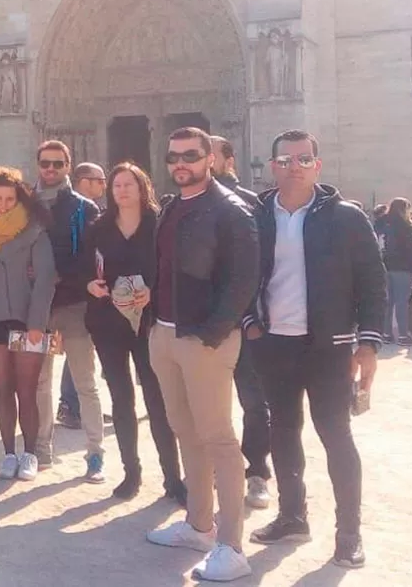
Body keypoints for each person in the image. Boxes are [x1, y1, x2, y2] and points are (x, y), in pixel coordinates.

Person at [243, 129, 384, 570]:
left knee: (335, 436)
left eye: (303, 159)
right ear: (272, 166)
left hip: (329, 346)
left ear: (317, 166)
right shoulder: (257, 214)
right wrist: (249, 322)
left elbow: (372, 281)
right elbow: (242, 272)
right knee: (282, 432)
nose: (294, 167)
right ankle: (292, 516)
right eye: (285, 160)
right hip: (274, 344)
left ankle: (349, 534)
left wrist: (369, 343)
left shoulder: (345, 216)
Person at [145, 127, 260, 583]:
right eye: (173, 156)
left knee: (218, 439)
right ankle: (199, 525)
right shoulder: (171, 209)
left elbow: (243, 280)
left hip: (204, 340)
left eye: (190, 156)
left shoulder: (232, 210)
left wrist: (213, 333)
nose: (180, 164)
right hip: (166, 335)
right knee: (185, 432)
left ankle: (232, 546)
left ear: (210, 157)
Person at [82, 164, 184, 503]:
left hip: (149, 320)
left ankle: (173, 478)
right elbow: (82, 266)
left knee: (158, 399)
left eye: (129, 184)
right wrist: (90, 285)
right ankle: (131, 473)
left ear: (142, 188)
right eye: (116, 185)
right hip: (108, 321)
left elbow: (173, 266)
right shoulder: (99, 227)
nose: (122, 190)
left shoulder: (160, 224)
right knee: (121, 400)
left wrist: (153, 291)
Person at [0, 168, 56, 481]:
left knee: (27, 390)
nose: (3, 204)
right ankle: (8, 455)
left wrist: (37, 323)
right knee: (4, 388)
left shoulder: (34, 230)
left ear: (20, 200)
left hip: (26, 318)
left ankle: (30, 453)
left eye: (10, 199)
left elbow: (45, 280)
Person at [32, 140, 106, 481]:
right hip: (35, 308)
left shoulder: (84, 207)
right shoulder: (24, 203)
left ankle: (95, 454)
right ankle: (40, 450)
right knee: (39, 382)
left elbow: (92, 258)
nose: (50, 169)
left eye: (57, 164)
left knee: (85, 382)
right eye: (45, 163)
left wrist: (58, 276)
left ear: (67, 166)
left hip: (74, 305)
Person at [208, 135, 273, 511]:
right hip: (205, 322)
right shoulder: (184, 206)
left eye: (208, 154)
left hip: (244, 322)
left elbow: (265, 267)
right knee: (210, 405)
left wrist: (255, 317)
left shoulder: (252, 203)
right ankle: (217, 470)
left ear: (229, 161)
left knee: (253, 401)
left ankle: (257, 472)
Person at [374, 197, 412, 346]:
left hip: (383, 265)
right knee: (402, 302)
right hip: (403, 267)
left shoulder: (379, 223)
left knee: (387, 302)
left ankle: (386, 333)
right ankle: (402, 334)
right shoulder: (406, 226)